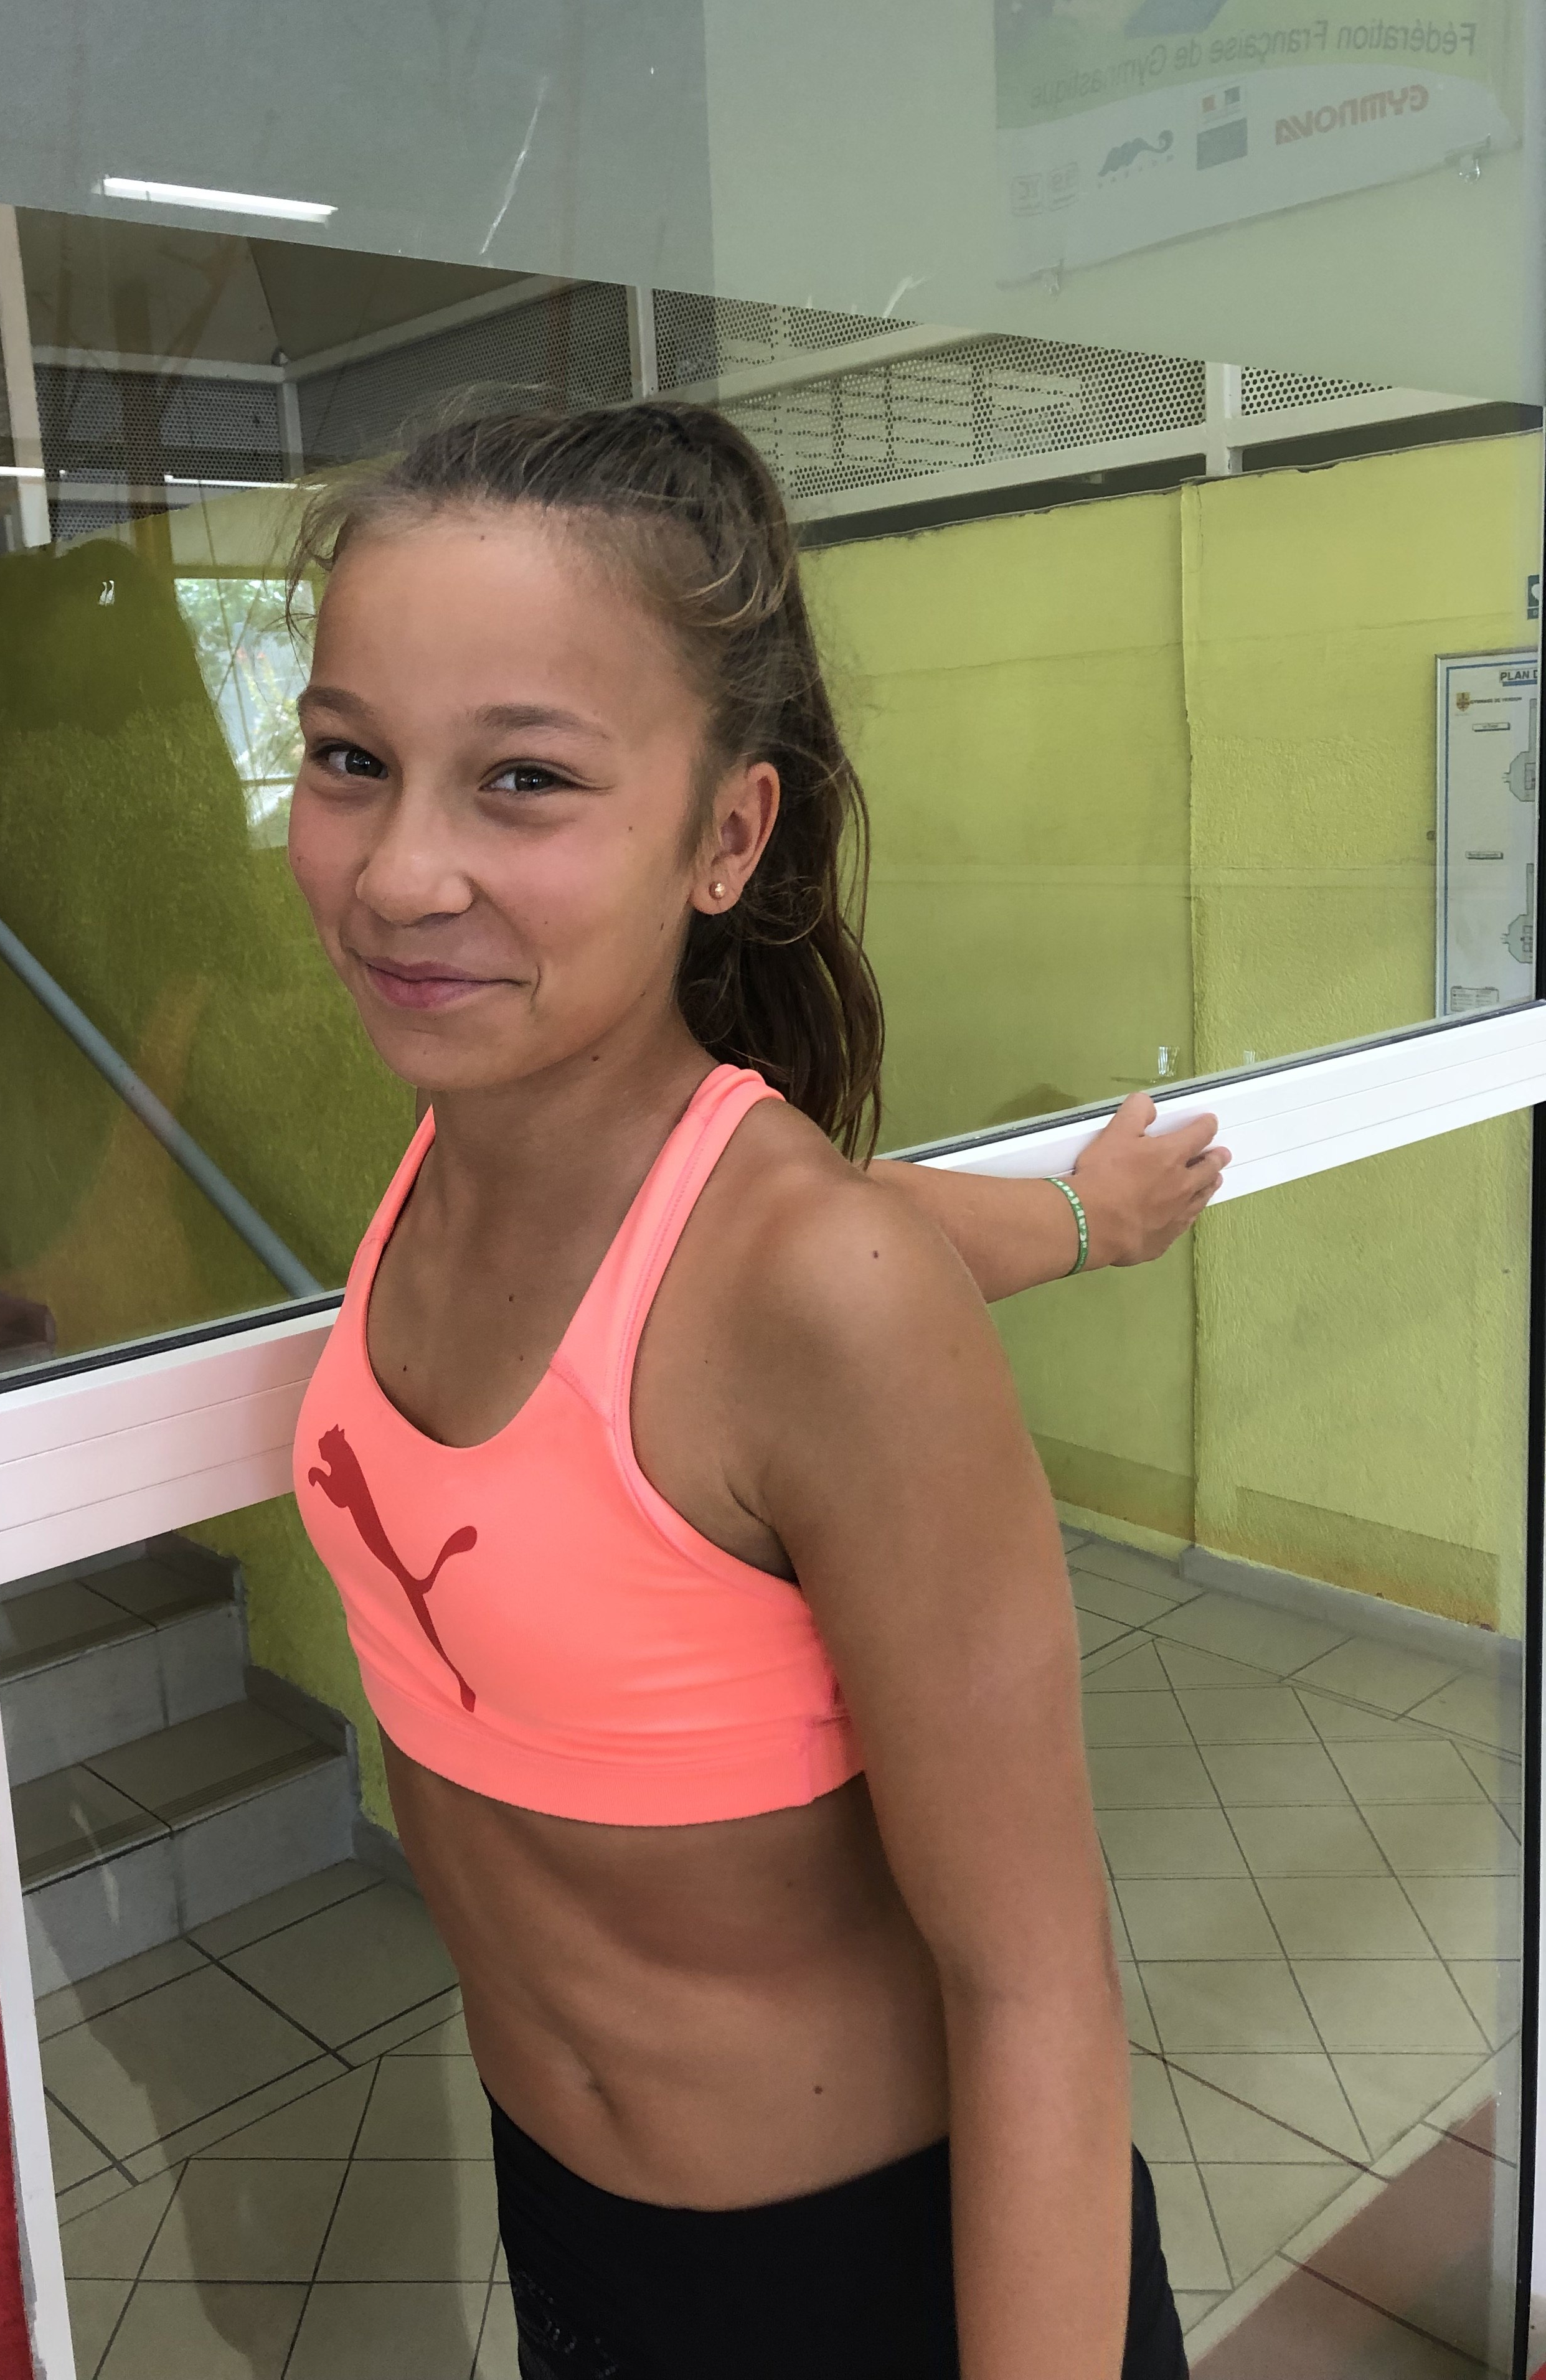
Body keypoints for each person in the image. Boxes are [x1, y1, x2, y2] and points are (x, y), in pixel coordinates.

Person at [287, 403, 1222, 2378]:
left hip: (867, 2289)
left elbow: (1038, 1986)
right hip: (578, 2240)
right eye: (350, 759)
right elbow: (770, 1258)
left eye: (523, 780)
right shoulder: (457, 1164)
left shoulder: (826, 1293)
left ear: (728, 836)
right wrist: (1079, 1215)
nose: (400, 873)